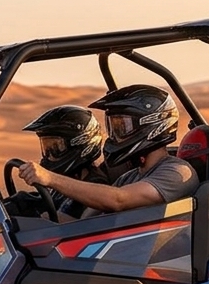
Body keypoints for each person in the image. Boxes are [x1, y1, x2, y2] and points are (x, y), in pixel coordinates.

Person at [19, 84, 197, 216]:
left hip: (152, 261)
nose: (114, 137)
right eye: (112, 128)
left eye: (122, 127)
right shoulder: (129, 177)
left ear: (152, 123)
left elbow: (118, 200)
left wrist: (50, 178)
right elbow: (85, 223)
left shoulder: (177, 172)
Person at [19, 105, 113, 219]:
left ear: (79, 143)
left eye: (56, 148)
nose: (49, 156)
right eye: (46, 148)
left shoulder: (94, 188)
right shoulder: (66, 181)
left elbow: (78, 225)